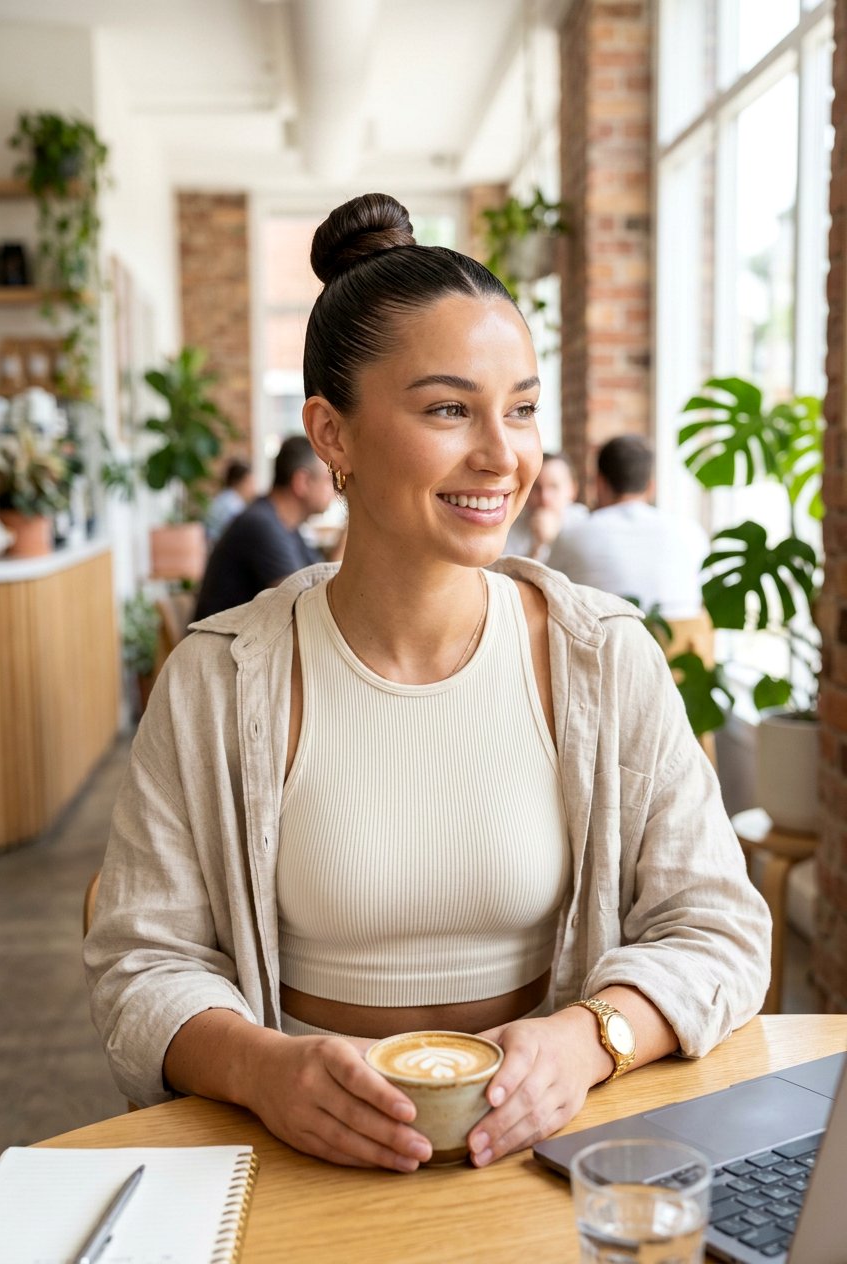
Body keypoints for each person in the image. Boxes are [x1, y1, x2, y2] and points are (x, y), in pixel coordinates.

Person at [85, 193, 769, 1176]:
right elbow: (138, 962)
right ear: (332, 434)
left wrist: (588, 1036)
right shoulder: (218, 680)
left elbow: (718, 924)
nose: (503, 455)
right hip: (301, 1164)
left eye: (521, 408)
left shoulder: (602, 658)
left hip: (543, 1162)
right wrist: (264, 1068)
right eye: (449, 409)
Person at [547, 434, 710, 619]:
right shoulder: (691, 532)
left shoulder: (574, 534)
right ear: (650, 487)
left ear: (599, 484)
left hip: (608, 646)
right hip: (683, 645)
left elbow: (547, 594)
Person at [194, 435, 333, 619]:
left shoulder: (284, 525)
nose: (337, 488)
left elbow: (323, 579)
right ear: (302, 482)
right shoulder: (261, 526)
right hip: (222, 647)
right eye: (329, 479)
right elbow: (307, 609)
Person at [504, 450, 587, 561]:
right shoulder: (509, 527)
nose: (544, 497)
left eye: (554, 487)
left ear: (572, 490)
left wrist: (554, 541)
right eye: (537, 487)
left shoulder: (584, 525)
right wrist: (538, 546)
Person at [205, 458, 255, 545]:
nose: (253, 487)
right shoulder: (232, 504)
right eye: (249, 482)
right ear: (238, 482)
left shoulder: (224, 498)